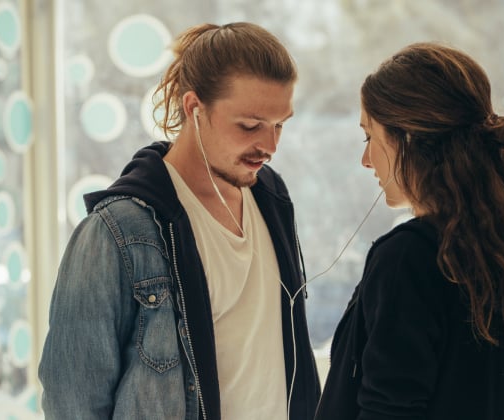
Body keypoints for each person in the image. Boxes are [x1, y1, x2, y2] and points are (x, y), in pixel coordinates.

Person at [39, 22, 320, 420]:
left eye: (279, 125)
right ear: (194, 108)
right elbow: (73, 403)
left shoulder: (271, 196)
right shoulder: (117, 231)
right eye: (250, 125)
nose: (270, 146)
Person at [315, 43, 504, 420]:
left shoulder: (407, 258)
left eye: (370, 137)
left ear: (408, 139)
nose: (366, 160)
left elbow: (387, 411)